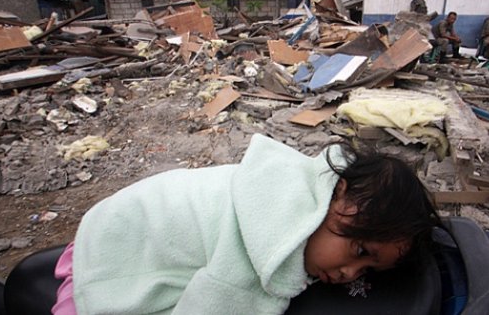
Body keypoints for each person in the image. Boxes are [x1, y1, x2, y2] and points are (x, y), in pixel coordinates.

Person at [51, 134, 441, 314]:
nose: (349, 273)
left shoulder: (287, 180)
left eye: (368, 269)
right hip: (117, 252)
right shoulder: (263, 245)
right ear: (337, 194)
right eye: (359, 251)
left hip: (120, 217)